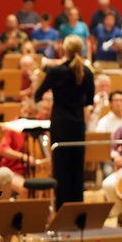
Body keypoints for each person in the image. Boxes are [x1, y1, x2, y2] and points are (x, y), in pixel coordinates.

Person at [34, 35, 95, 211]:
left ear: (64, 50)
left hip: (60, 124)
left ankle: (62, 210)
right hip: (77, 125)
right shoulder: (87, 72)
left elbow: (38, 94)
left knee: (61, 170)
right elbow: (89, 100)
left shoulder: (56, 71)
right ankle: (77, 210)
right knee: (77, 170)